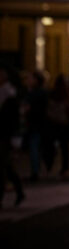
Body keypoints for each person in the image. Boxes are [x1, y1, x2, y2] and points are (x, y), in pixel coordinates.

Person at [0, 68, 26, 208]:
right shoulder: (6, 93)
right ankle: (19, 190)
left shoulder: (9, 94)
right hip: (5, 134)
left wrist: (14, 136)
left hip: (5, 135)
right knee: (6, 166)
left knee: (3, 165)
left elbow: (12, 119)